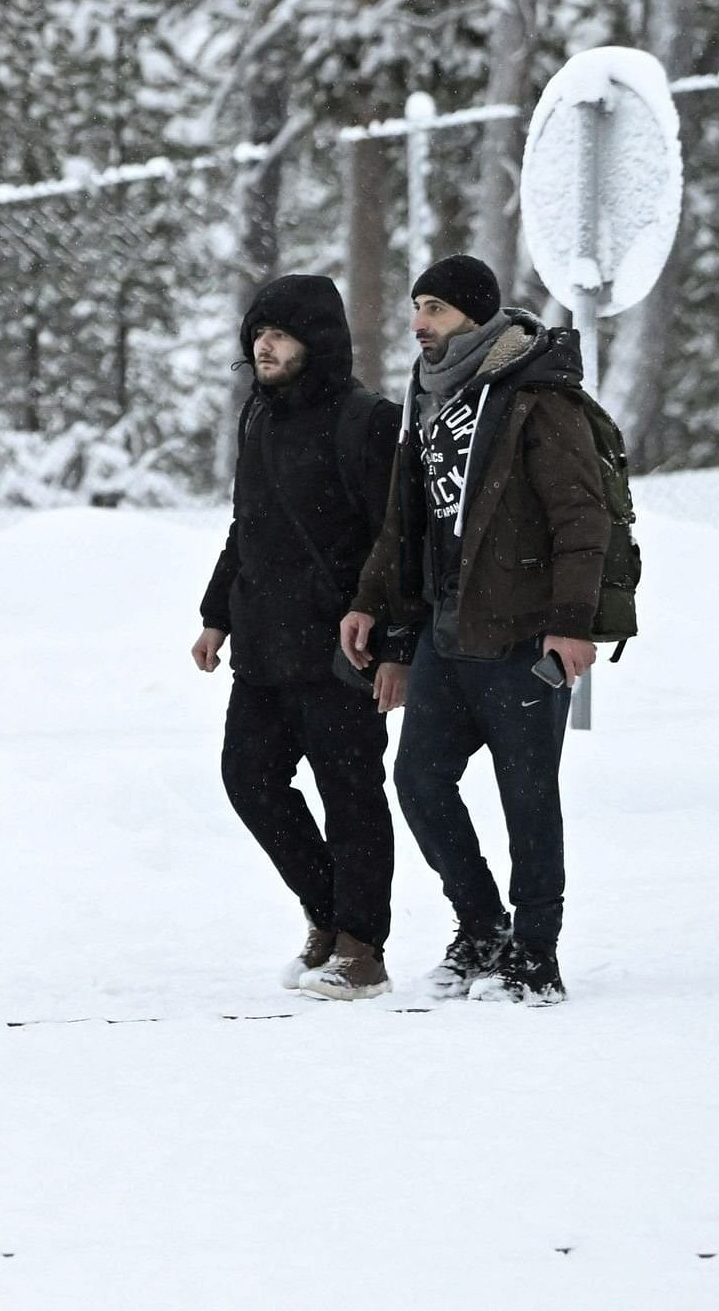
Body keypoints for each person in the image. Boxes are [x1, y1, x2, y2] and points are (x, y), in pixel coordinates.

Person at [342, 254, 613, 1007]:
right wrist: (374, 602)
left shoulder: (533, 393)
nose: (418, 322)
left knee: (528, 797)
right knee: (420, 783)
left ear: (475, 316)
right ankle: (483, 924)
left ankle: (536, 954)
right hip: (445, 631)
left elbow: (580, 515)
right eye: (416, 306)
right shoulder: (424, 396)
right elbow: (406, 519)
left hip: (525, 638)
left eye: (434, 308)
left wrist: (571, 623)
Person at [194, 274, 403, 1000]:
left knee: (352, 795)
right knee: (248, 777)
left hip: (340, 649)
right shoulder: (257, 416)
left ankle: (361, 946)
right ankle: (326, 910)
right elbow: (246, 526)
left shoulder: (366, 420)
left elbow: (396, 540)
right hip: (260, 645)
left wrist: (395, 643)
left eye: (279, 333)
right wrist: (216, 614)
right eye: (257, 332)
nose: (264, 345)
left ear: (316, 340)